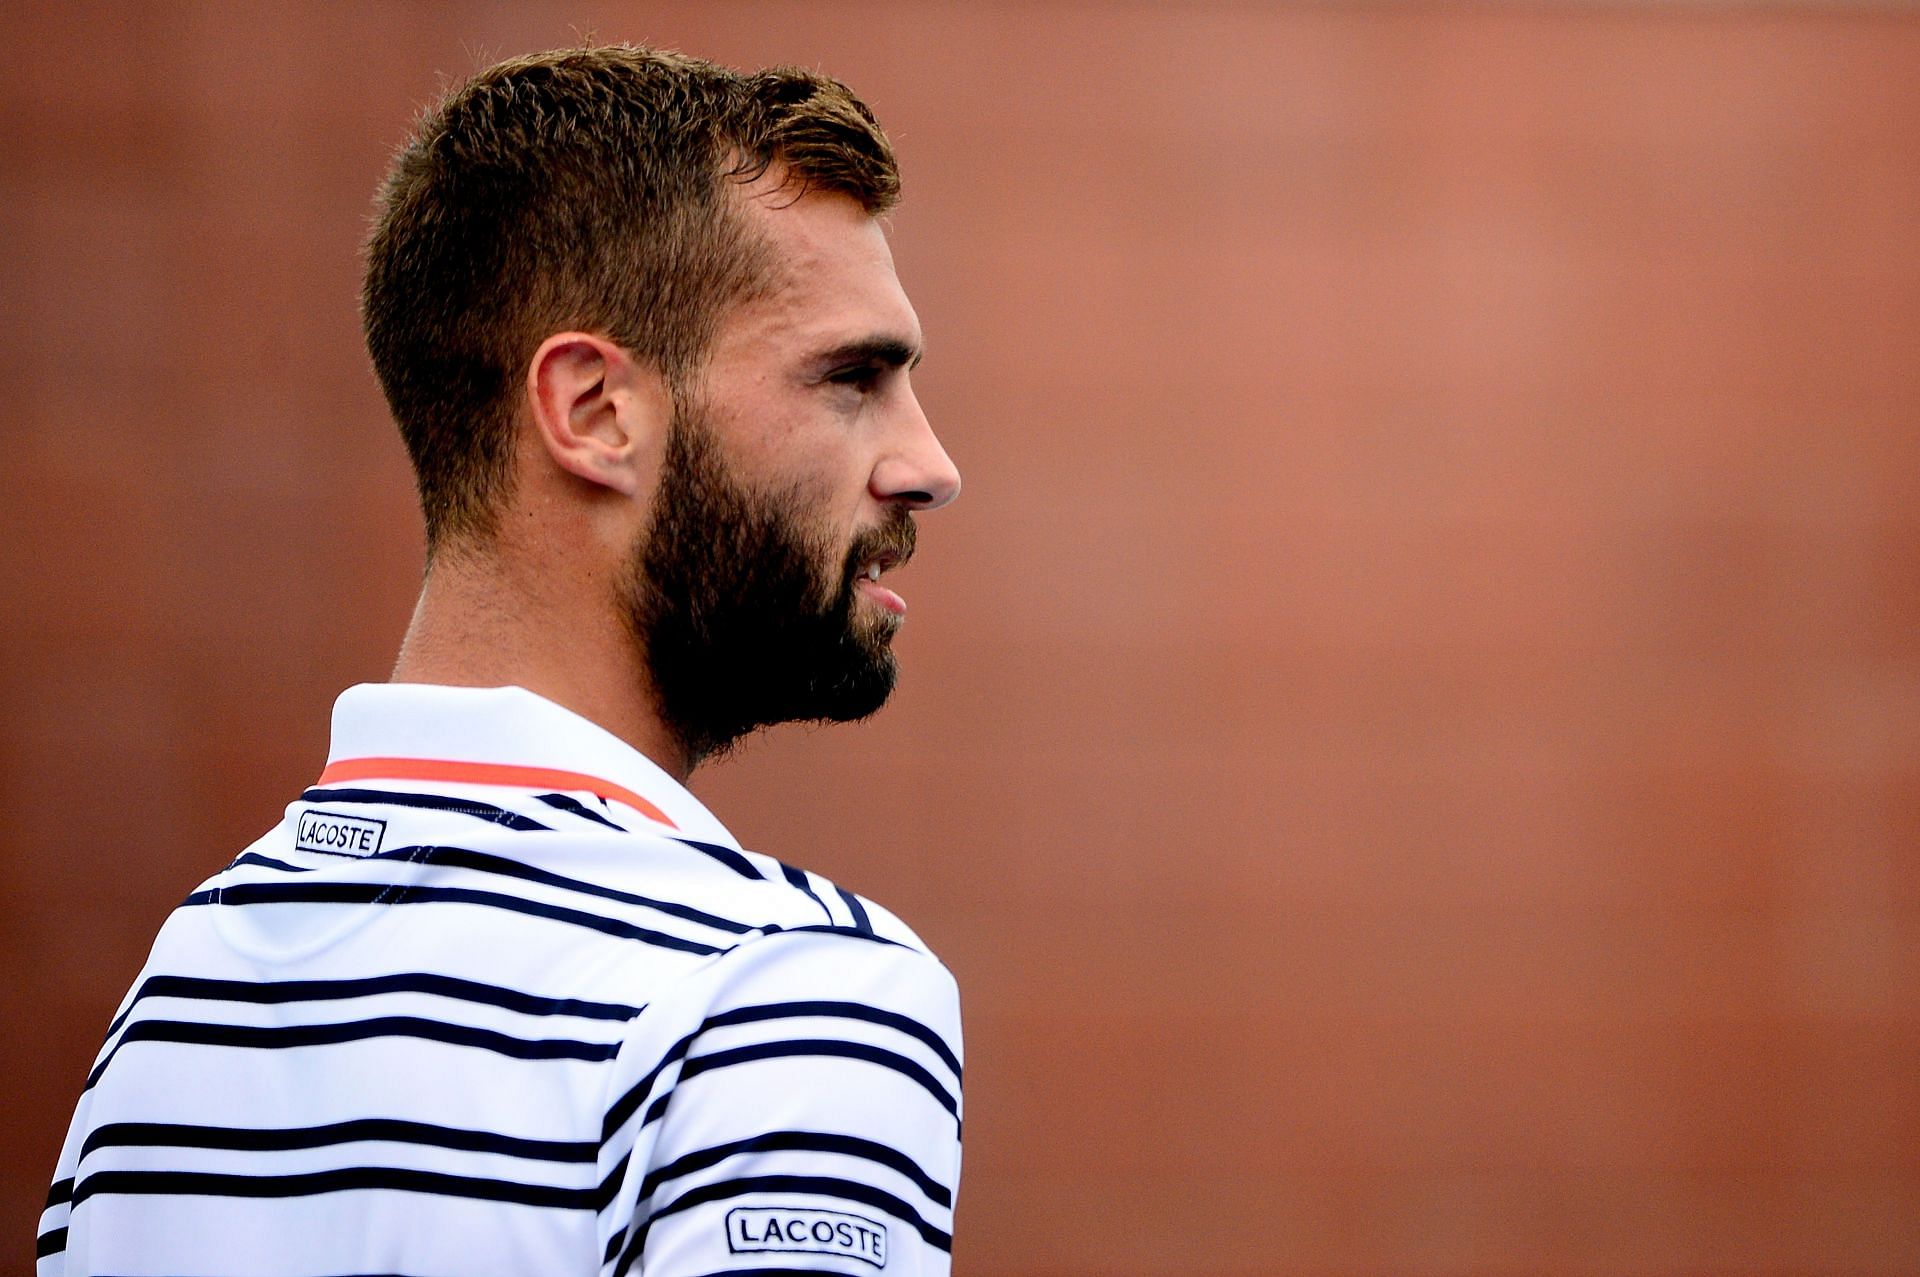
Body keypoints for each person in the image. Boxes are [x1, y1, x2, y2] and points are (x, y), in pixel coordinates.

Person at [39, 44, 964, 1277]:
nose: (928, 464)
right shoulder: (786, 996)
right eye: (851, 377)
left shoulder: (182, 989)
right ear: (590, 411)